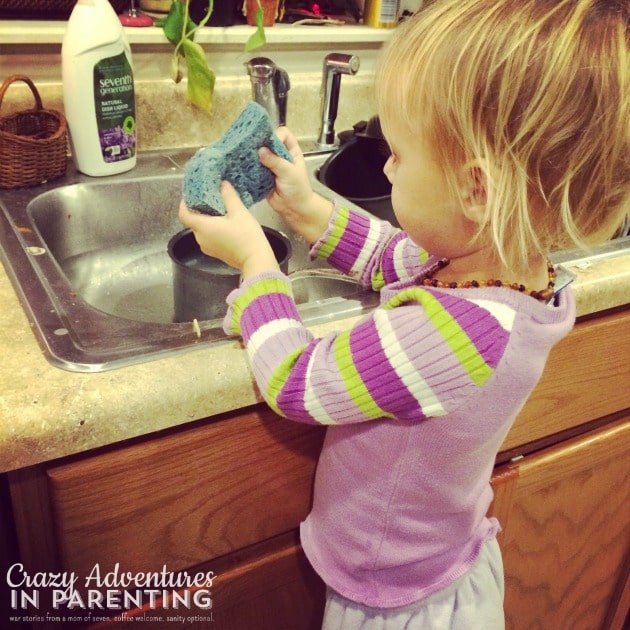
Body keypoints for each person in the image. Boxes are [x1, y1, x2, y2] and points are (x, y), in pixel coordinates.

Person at [179, 0, 629, 626]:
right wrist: (306, 208)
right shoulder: (507, 273)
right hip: (435, 561)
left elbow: (296, 382)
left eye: (398, 152)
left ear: (478, 189)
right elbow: (395, 255)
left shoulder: (456, 333)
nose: (386, 164)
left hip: (395, 600)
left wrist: (255, 262)